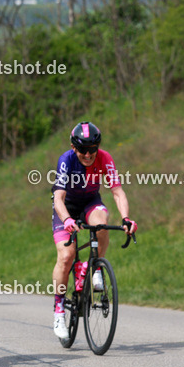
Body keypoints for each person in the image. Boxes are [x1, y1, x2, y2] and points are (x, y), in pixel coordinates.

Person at [51, 121, 137, 338]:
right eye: (82, 150)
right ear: (73, 147)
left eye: (92, 150)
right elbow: (58, 198)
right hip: (67, 207)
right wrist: (68, 219)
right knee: (66, 256)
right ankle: (59, 311)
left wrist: (126, 218)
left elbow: (117, 191)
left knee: (101, 222)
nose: (88, 155)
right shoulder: (66, 160)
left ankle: (95, 267)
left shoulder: (105, 158)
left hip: (90, 202)